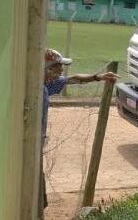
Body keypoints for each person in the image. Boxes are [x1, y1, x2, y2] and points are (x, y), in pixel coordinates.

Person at [40, 49, 118, 208]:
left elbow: (73, 79)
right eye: (58, 66)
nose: (61, 70)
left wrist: (98, 77)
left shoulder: (47, 85)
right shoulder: (37, 90)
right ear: (47, 68)